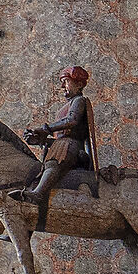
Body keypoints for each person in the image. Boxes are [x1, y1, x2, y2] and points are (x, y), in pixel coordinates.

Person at [23, 65, 96, 208]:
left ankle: (38, 194)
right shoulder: (66, 106)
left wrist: (46, 129)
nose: (62, 86)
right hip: (62, 143)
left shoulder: (79, 101)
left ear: (79, 84)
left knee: (53, 163)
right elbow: (59, 136)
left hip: (71, 145)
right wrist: (39, 139)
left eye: (66, 81)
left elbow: (72, 121)